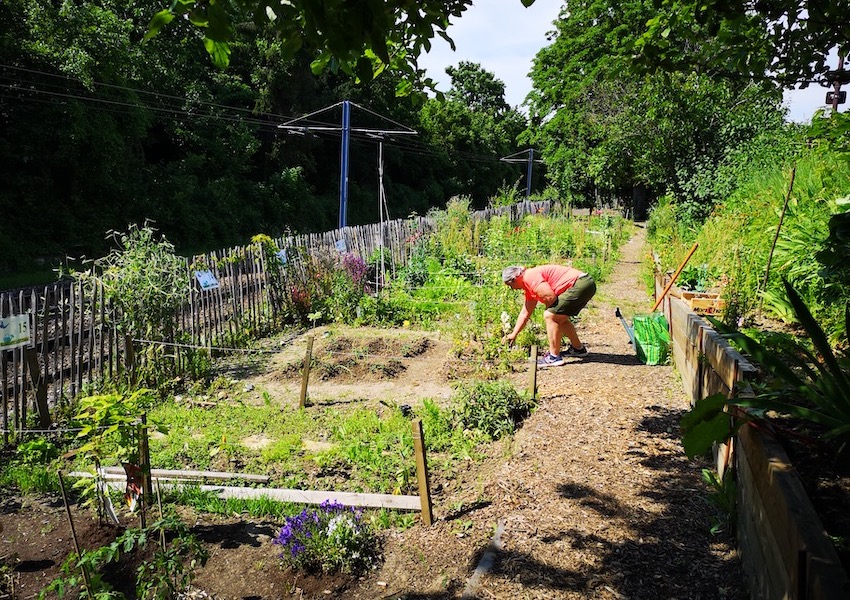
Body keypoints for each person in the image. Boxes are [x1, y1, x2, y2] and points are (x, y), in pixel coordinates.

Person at [501, 264, 596, 368]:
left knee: (551, 316)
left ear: (514, 279)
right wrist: (514, 334)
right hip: (585, 283)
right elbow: (525, 312)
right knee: (559, 317)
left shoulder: (529, 277)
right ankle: (578, 349)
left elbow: (550, 297)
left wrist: (550, 314)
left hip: (580, 284)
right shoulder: (528, 285)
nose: (513, 289)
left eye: (510, 286)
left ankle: (554, 357)